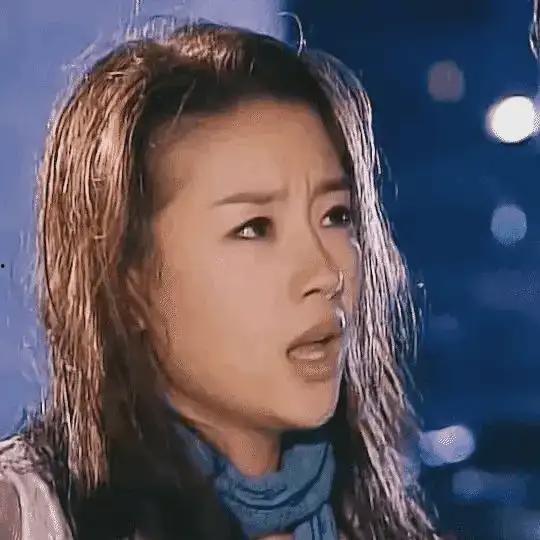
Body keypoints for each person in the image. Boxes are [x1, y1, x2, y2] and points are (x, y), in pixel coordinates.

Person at [0, 19, 444, 540]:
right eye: (254, 228)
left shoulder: (380, 521)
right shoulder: (26, 516)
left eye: (336, 216)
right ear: (128, 283)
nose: (325, 274)